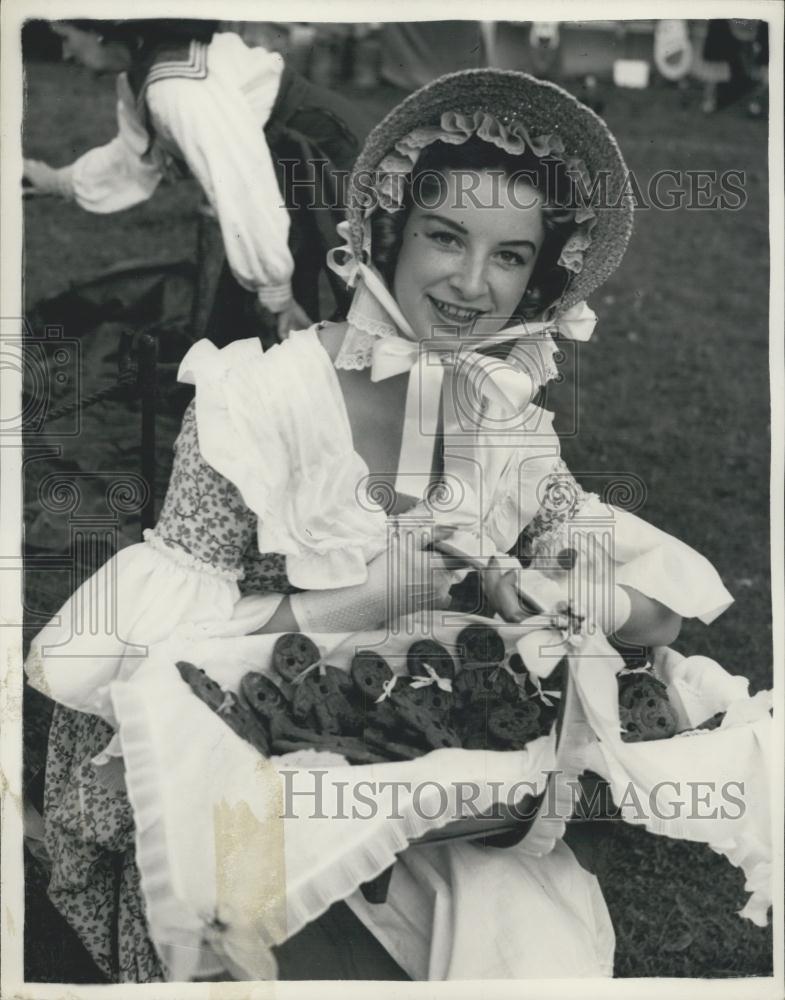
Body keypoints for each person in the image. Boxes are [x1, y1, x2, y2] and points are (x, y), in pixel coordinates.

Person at [26, 69, 733, 982]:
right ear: (387, 235)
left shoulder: (502, 422)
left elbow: (657, 617)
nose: (472, 284)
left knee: (524, 947)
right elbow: (165, 664)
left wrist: (555, 588)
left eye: (510, 256)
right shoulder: (260, 401)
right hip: (248, 774)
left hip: (430, 778)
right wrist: (373, 597)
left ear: (537, 278)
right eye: (446, 237)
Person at [22, 19, 369, 345]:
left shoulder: (176, 88)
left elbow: (240, 182)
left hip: (325, 147)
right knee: (254, 314)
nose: (65, 54)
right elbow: (133, 157)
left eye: (66, 38)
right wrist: (56, 181)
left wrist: (274, 291)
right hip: (275, 161)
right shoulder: (140, 77)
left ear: (99, 30)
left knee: (364, 288)